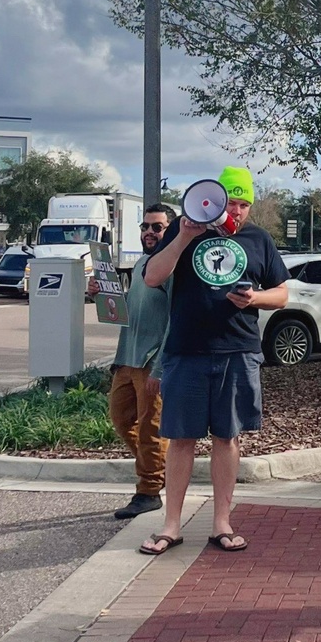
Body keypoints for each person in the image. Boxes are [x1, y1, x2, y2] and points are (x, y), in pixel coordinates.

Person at [137, 167, 289, 556]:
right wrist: (185, 236)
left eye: (242, 204)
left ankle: (222, 522)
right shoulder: (184, 230)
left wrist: (254, 299)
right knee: (181, 439)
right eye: (229, 202)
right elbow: (152, 276)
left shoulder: (258, 240)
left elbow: (282, 294)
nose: (235, 211)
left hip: (237, 350)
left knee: (227, 436)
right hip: (187, 351)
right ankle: (172, 524)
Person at [96, 203, 176, 520]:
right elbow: (126, 311)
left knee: (150, 430)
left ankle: (149, 491)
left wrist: (161, 365)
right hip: (126, 358)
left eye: (157, 227)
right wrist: (100, 294)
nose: (149, 232)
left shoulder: (171, 267)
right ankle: (161, 470)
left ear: (171, 230)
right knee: (122, 420)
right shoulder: (143, 262)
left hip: (152, 361)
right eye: (145, 227)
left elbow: (176, 320)